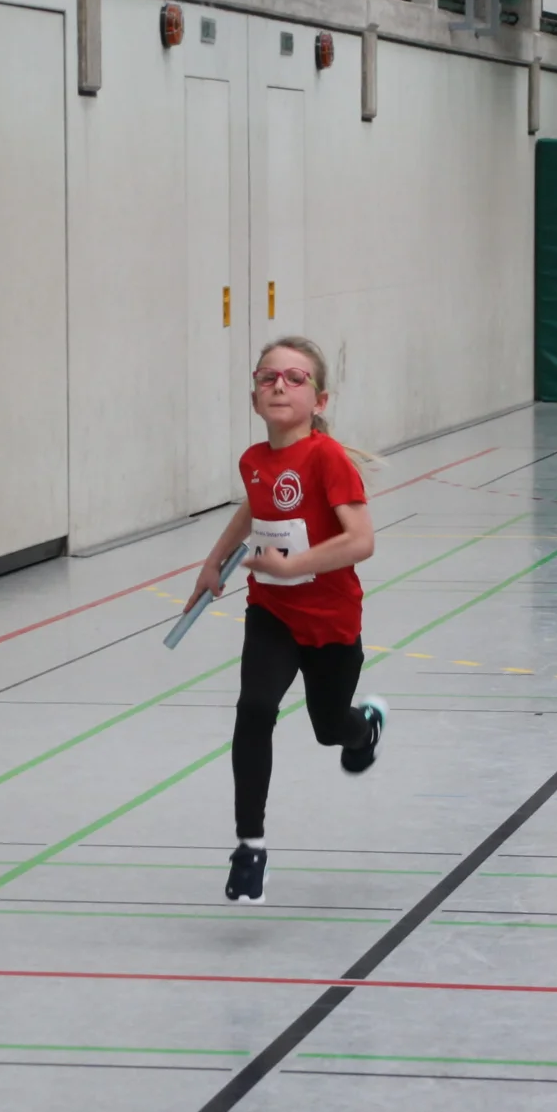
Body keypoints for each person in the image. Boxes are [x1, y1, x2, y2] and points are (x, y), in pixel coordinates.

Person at [188, 336, 387, 906]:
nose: (279, 385)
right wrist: (213, 562)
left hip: (331, 622)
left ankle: (365, 727)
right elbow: (256, 506)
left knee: (330, 728)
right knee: (254, 709)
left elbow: (362, 540)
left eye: (295, 378)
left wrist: (292, 565)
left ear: (319, 400)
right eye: (267, 377)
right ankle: (249, 848)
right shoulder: (254, 460)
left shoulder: (327, 458)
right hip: (272, 611)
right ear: (254, 396)